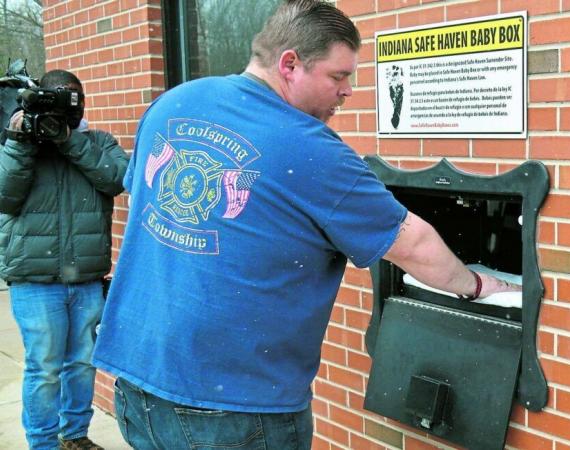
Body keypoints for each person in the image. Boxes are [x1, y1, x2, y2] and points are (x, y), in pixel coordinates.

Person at [92, 1, 519, 449]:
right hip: (234, 409)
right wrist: (476, 286)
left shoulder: (173, 104)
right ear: (290, 64)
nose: (348, 90)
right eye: (338, 76)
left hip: (136, 383)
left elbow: (141, 189)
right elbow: (413, 245)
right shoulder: (309, 148)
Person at [0, 69, 129, 450]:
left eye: (71, 99)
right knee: (44, 369)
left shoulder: (99, 142)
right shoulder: (16, 143)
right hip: (34, 281)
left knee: (81, 364)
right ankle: (43, 444)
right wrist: (21, 143)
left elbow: (115, 178)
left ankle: (74, 436)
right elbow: (5, 197)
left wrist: (69, 140)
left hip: (86, 278)